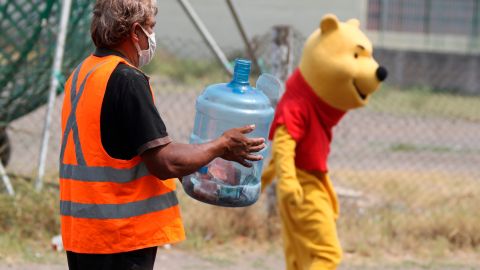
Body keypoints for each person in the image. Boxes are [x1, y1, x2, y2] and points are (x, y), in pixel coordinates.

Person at [59, 0, 266, 269]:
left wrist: (198, 165)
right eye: (150, 28)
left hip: (84, 234)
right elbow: (164, 162)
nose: (152, 36)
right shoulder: (127, 80)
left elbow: (123, 149)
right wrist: (222, 145)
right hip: (120, 238)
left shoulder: (83, 73)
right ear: (136, 32)